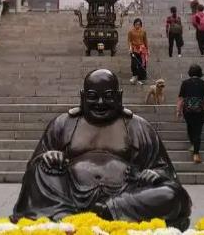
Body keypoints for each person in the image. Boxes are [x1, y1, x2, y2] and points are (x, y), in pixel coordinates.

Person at [12, 69, 192, 229]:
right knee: (39, 168)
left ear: (119, 96)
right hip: (69, 196)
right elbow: (34, 166)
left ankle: (108, 211)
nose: (100, 102)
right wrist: (49, 156)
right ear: (82, 96)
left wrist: (156, 174)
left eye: (108, 96)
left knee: (172, 195)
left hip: (125, 195)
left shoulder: (139, 127)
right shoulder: (63, 124)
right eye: (92, 96)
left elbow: (166, 171)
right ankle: (63, 215)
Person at [176, 64, 204, 164]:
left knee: (190, 127)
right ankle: (196, 153)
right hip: (199, 110)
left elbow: (181, 99)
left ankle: (192, 144)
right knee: (198, 131)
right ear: (200, 73)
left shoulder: (185, 83)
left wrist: (178, 110)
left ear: (190, 72)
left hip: (187, 110)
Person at [128, 18, 148, 84]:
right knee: (133, 64)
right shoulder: (131, 32)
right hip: (134, 49)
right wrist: (130, 47)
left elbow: (145, 41)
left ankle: (141, 78)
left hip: (142, 49)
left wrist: (147, 49)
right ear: (134, 25)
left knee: (141, 64)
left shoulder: (143, 31)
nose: (137, 26)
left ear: (141, 25)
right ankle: (134, 75)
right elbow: (129, 40)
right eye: (136, 24)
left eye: (139, 24)